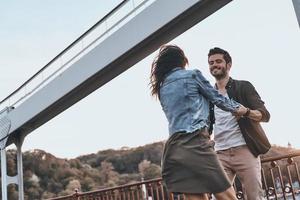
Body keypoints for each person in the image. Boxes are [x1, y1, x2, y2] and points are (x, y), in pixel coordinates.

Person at [150, 44, 247, 200]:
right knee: (226, 194)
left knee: (196, 197)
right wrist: (240, 109)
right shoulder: (192, 75)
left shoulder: (162, 87)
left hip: (174, 148)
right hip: (195, 142)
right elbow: (217, 98)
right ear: (182, 61)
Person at [207, 47, 271, 200]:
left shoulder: (244, 86)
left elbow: (265, 115)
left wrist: (247, 112)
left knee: (254, 197)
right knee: (219, 197)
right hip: (220, 154)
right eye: (210, 63)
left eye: (218, 61)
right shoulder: (208, 94)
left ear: (228, 65)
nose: (214, 65)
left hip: (245, 151)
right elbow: (207, 124)